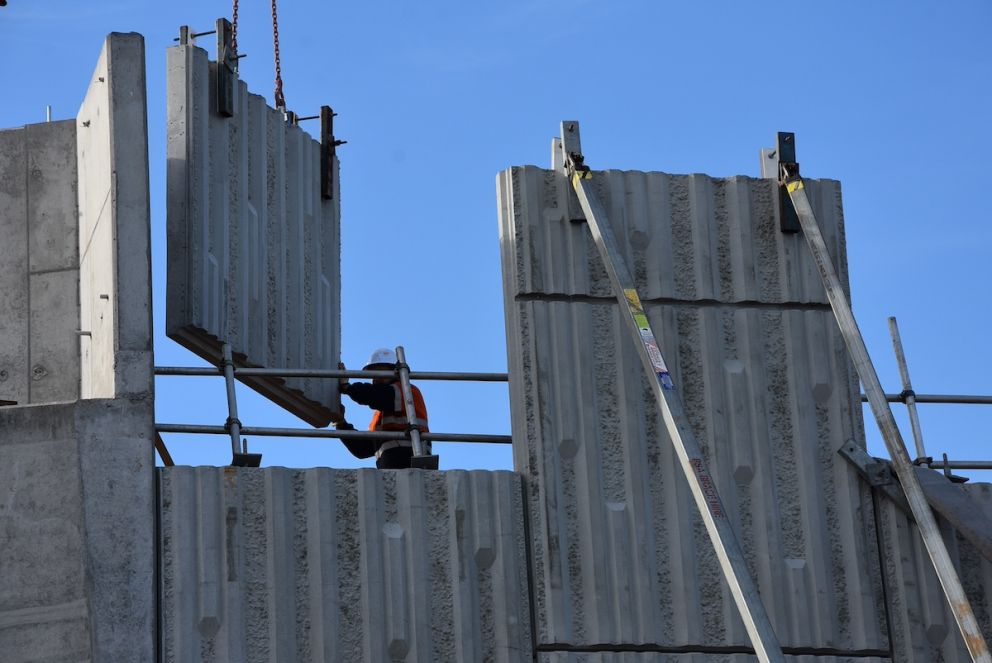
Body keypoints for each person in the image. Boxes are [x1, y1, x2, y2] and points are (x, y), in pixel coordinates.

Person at [333, 348, 430, 469]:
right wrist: (341, 423)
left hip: (410, 461)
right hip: (391, 470)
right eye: (373, 374)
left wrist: (347, 387)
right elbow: (362, 449)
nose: (376, 379)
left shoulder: (407, 391)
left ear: (395, 372)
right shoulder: (383, 413)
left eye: (380, 373)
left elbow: (376, 395)